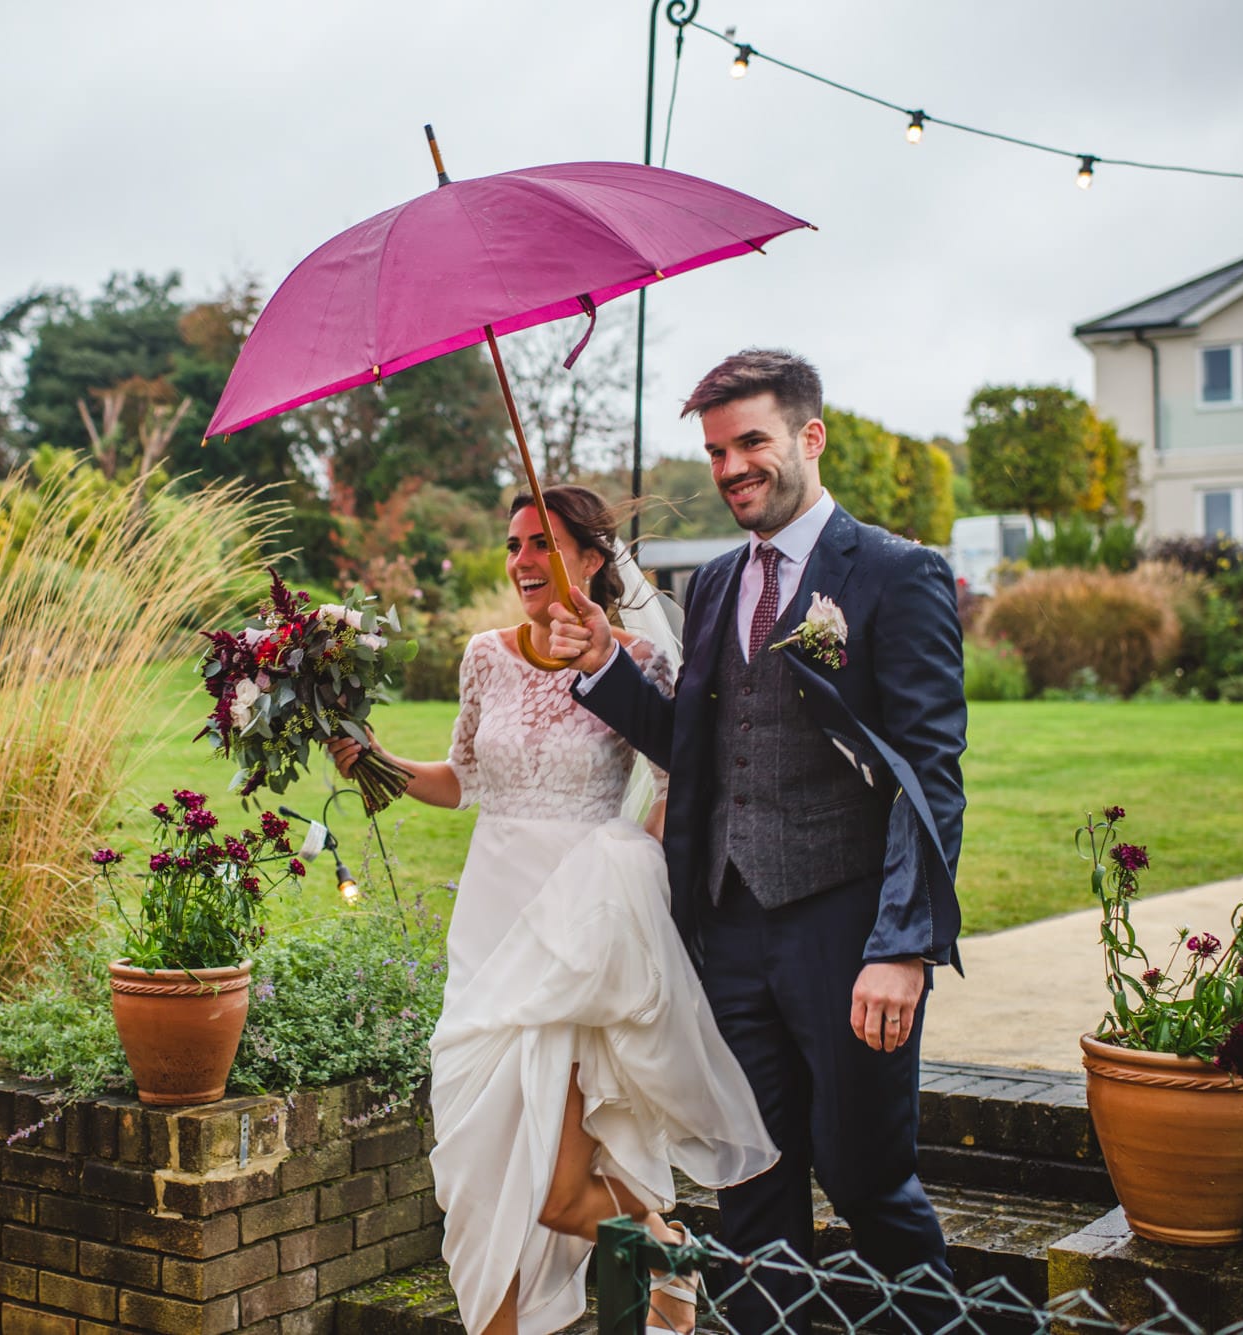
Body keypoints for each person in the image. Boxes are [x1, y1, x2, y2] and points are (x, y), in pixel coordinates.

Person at [549, 350, 967, 1332]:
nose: (731, 465)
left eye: (750, 442)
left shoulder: (895, 576)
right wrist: (607, 667)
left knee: (869, 1180)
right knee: (751, 1191)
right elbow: (698, 754)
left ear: (808, 438)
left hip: (845, 927)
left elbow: (927, 773)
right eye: (714, 450)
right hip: (728, 936)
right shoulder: (716, 580)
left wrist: (900, 947)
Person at [329, 485, 777, 1335]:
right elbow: (464, 780)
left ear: (591, 560)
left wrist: (627, 867)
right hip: (491, 925)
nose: (522, 560)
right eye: (513, 544)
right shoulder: (484, 655)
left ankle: (664, 1243)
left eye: (541, 542)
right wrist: (378, 760)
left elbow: (685, 782)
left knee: (555, 1189)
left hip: (577, 935)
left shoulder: (636, 658)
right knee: (470, 1169)